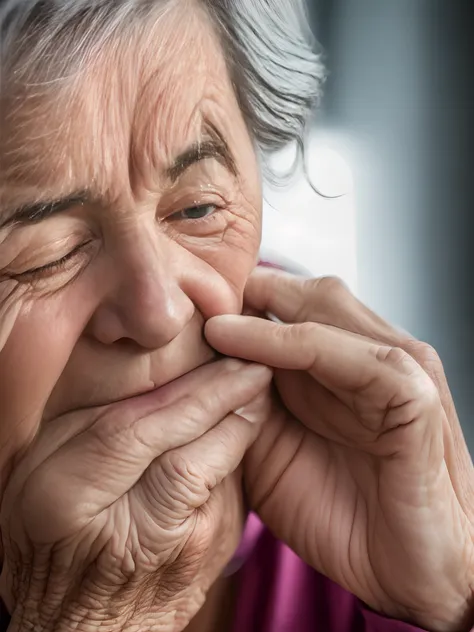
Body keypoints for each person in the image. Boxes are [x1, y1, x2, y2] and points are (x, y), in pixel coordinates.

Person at [0, 0, 472, 631]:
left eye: (197, 209)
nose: (160, 310)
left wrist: (444, 603)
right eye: (45, 254)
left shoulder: (352, 476)